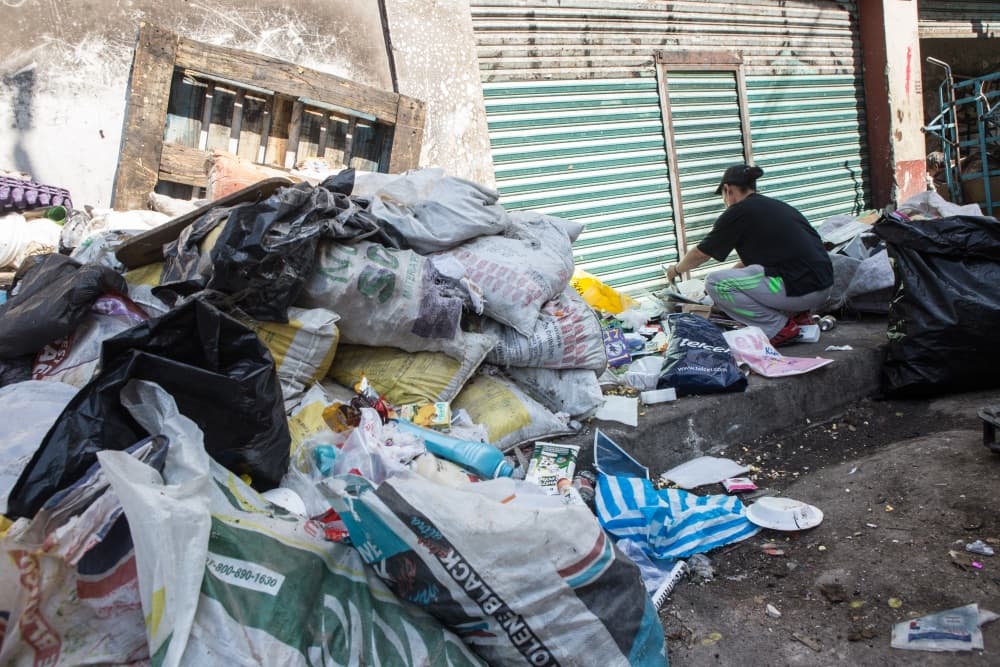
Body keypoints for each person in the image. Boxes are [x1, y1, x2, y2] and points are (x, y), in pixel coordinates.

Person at [664, 164, 833, 346]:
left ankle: (778, 328)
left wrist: (675, 270)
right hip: (822, 287)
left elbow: (700, 254)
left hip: (802, 289)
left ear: (728, 190)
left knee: (714, 282)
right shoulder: (774, 207)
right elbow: (749, 264)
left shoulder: (739, 212)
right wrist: (726, 284)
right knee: (739, 278)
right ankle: (798, 316)